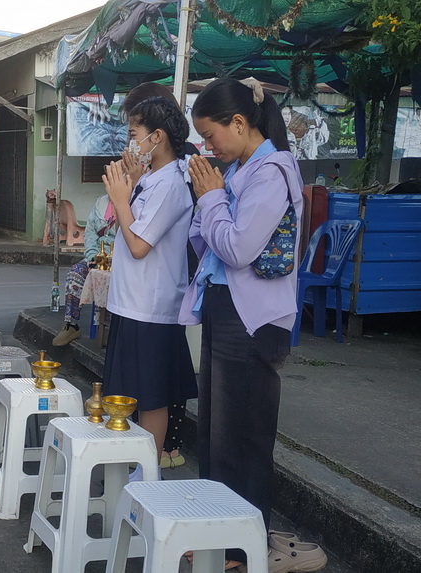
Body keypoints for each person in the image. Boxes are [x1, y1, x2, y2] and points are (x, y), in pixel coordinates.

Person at [181, 77, 305, 569]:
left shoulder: (272, 172)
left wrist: (213, 200)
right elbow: (204, 239)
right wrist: (208, 198)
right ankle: (216, 532)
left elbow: (236, 248)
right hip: (224, 305)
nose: (208, 147)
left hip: (253, 319)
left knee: (244, 438)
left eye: (210, 136)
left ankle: (239, 546)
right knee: (215, 434)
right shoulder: (236, 171)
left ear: (238, 122)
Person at [101, 96, 197, 478]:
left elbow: (140, 245)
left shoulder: (171, 183)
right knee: (127, 392)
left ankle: (146, 475)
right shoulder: (152, 179)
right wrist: (129, 188)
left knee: (151, 397)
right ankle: (129, 468)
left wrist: (120, 199)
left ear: (156, 137)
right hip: (131, 302)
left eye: (134, 134)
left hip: (151, 307)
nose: (131, 143)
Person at [51, 193, 117, 346]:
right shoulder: (101, 202)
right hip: (99, 255)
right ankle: (71, 324)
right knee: (75, 273)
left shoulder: (132, 200)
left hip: (120, 257)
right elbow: (90, 232)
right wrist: (93, 255)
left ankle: (109, 330)